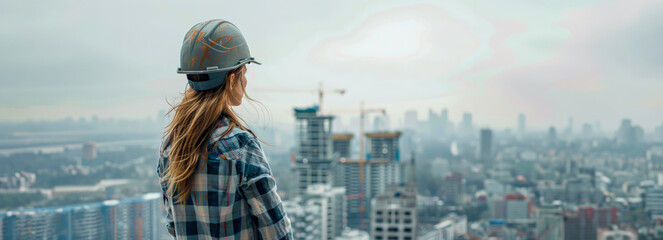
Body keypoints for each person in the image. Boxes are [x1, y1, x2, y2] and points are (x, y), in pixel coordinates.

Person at [157, 19, 292, 240]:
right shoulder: (239, 145)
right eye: (244, 73)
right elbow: (277, 233)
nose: (245, 82)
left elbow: (173, 225)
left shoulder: (170, 145)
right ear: (231, 79)